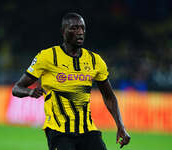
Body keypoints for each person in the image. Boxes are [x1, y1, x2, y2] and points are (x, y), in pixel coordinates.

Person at [12, 12, 130, 150]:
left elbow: (109, 97)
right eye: (74, 28)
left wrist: (120, 126)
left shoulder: (95, 61)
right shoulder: (47, 57)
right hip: (59, 131)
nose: (80, 32)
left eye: (82, 28)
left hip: (87, 131)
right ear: (63, 32)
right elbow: (17, 88)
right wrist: (30, 92)